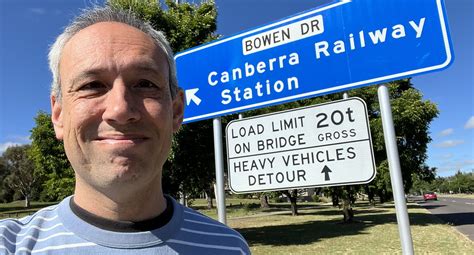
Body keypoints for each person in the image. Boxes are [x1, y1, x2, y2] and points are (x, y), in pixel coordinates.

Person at [0, 6, 250, 255]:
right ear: (59, 115)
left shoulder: (229, 247)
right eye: (92, 85)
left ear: (176, 111)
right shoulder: (8, 245)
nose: (120, 110)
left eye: (145, 84)